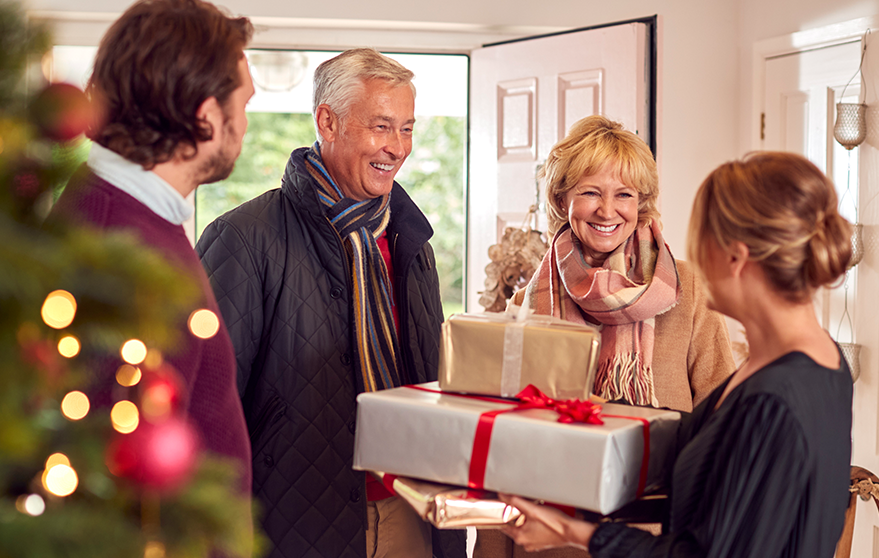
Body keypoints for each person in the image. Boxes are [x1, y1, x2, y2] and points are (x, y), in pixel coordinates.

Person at [500, 150, 854, 558]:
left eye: (701, 242)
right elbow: (697, 441)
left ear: (735, 258)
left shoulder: (771, 401)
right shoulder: (820, 359)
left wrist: (576, 533)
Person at [195, 48, 466, 558]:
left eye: (407, 128)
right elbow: (206, 410)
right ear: (327, 121)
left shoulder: (413, 242)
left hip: (413, 508)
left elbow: (433, 382)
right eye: (381, 126)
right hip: (295, 523)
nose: (397, 147)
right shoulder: (243, 238)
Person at [475, 115, 736, 558]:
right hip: (552, 529)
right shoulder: (528, 301)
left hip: (656, 530)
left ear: (642, 203)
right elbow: (503, 443)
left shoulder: (687, 289)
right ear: (562, 199)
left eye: (624, 195)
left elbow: (723, 417)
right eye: (590, 192)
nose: (607, 210)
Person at [46, 0, 254, 503]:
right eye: (244, 105)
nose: (245, 124)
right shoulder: (120, 255)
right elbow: (108, 493)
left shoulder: (124, 214)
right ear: (206, 117)